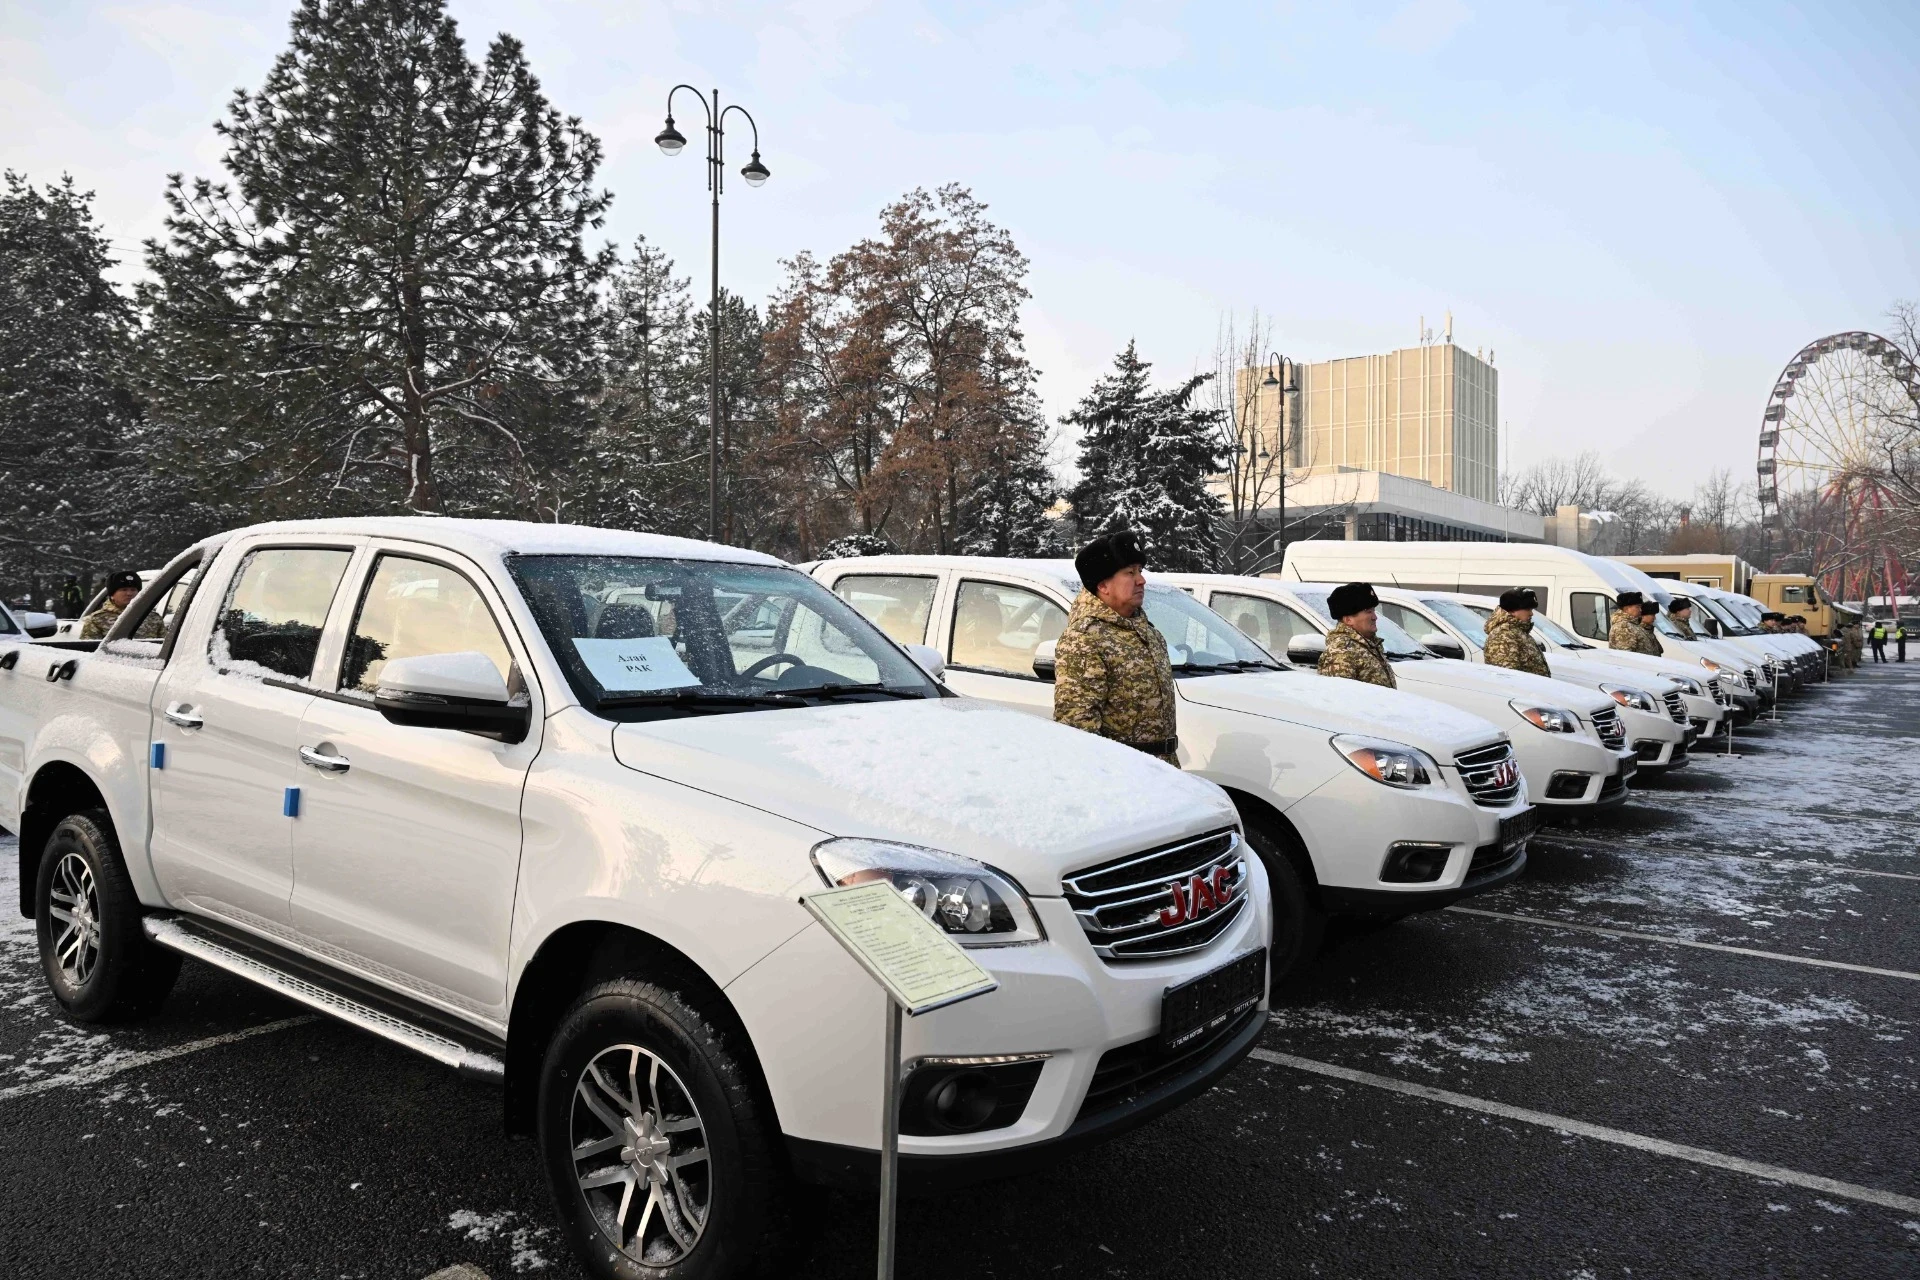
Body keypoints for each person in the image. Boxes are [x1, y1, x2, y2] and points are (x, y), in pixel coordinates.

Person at [1052, 531, 1179, 764]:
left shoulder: (1149, 633)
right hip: (1125, 772)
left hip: (1163, 771)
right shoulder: (1084, 638)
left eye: (1140, 571)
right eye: (1130, 572)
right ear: (1103, 585)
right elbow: (1078, 729)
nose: (1141, 580)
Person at [1319, 582, 1397, 689]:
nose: (1375, 617)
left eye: (1374, 611)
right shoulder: (1341, 651)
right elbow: (1341, 694)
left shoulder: (1369, 645)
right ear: (1348, 620)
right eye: (1368, 612)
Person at [1482, 588, 1550, 676]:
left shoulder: (1516, 632)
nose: (1531, 613)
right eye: (1527, 609)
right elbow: (1507, 677)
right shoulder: (1504, 635)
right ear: (1512, 610)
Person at [79, 570, 157, 640]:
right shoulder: (96, 620)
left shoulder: (153, 618)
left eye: (133, 590)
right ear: (112, 594)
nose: (129, 593)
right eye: (124, 590)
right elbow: (91, 648)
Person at [1609, 591, 1663, 656]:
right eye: (1637, 607)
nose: (1640, 610)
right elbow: (1626, 656)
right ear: (1627, 609)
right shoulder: (1623, 627)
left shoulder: (1632, 624)